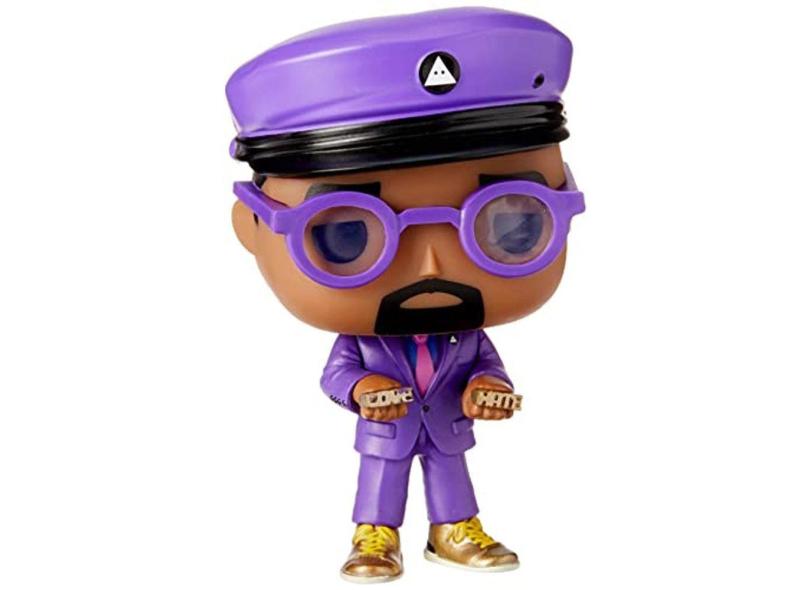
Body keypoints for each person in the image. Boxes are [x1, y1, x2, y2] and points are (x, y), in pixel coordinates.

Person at [226, 7, 584, 583]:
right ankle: (375, 535)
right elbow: (337, 374)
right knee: (381, 479)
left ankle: (455, 529)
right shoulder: (364, 341)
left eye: (509, 224)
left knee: (451, 473)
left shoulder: (467, 336)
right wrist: (363, 389)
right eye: (349, 235)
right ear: (251, 226)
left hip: (446, 425)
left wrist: (488, 388)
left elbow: (486, 367)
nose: (432, 265)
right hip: (386, 428)